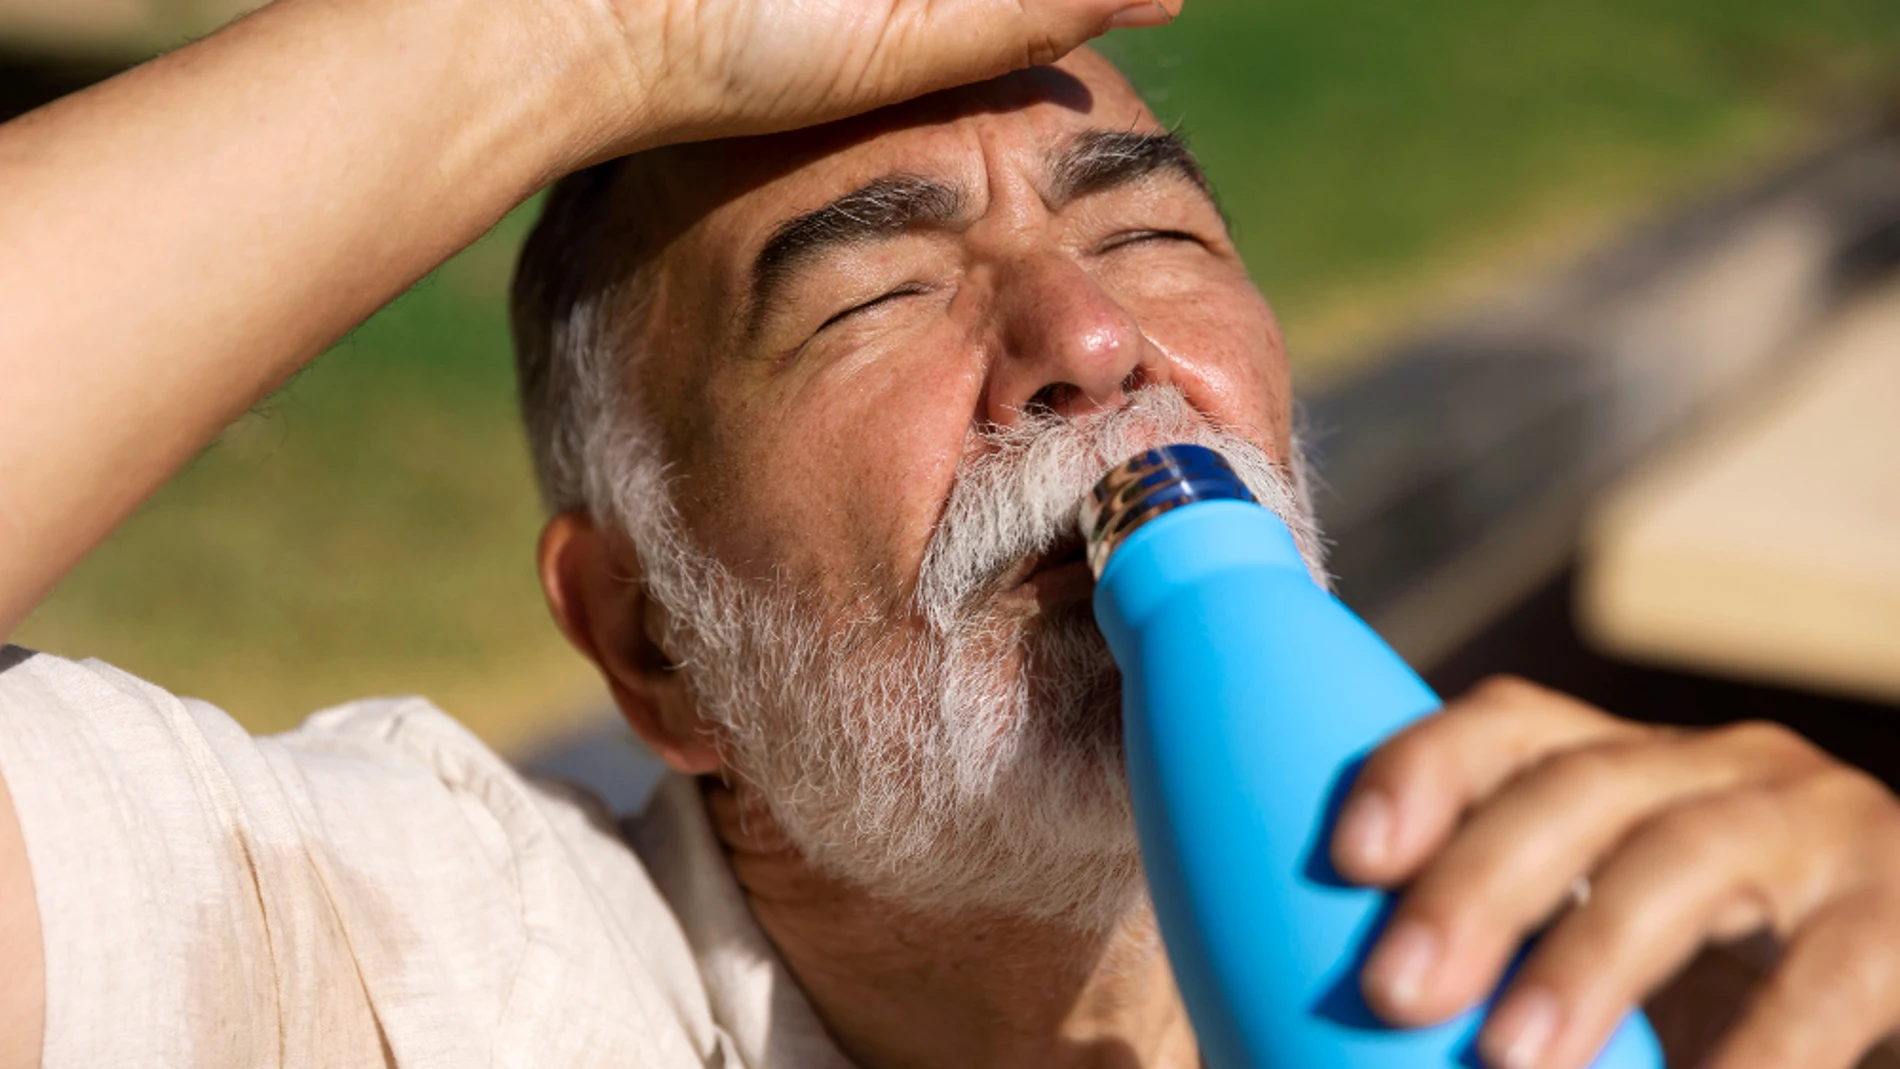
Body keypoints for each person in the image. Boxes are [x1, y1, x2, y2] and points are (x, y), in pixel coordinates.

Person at [4, 0, 1900, 1065]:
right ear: (651, 641)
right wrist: (583, 31)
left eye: (1149, 233)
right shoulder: (422, 969)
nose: (1086, 342)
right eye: (872, 298)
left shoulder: (1645, 967)